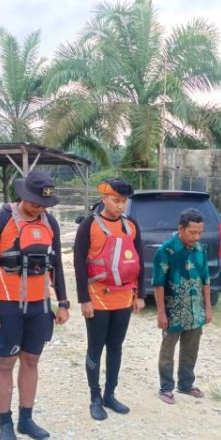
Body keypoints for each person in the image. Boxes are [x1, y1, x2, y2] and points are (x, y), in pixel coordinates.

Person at [0, 170, 69, 440]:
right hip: (6, 305)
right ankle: (4, 423)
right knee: (5, 362)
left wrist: (63, 302)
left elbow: (56, 266)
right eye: (34, 202)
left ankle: (25, 419)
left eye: (44, 204)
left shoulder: (50, 223)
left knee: (31, 361)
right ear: (22, 195)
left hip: (39, 306)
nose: (39, 208)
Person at [73, 178, 145, 420]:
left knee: (116, 347)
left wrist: (140, 295)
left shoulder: (131, 225)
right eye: (116, 201)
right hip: (98, 298)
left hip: (124, 297)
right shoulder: (88, 225)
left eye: (124, 202)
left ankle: (110, 395)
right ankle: (95, 397)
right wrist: (84, 299)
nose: (120, 206)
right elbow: (79, 264)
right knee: (96, 346)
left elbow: (139, 260)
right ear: (104, 198)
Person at [152, 208, 212, 404]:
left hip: (195, 312)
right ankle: (166, 388)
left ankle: (186, 384)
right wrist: (161, 313)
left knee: (191, 350)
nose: (196, 237)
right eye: (192, 232)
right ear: (181, 228)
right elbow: (158, 284)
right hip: (173, 312)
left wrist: (207, 309)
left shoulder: (201, 250)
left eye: (199, 232)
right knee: (168, 350)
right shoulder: (166, 251)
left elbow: (205, 280)